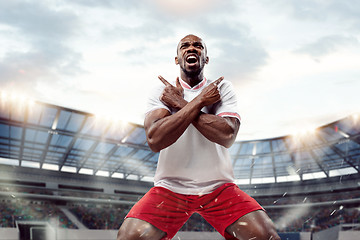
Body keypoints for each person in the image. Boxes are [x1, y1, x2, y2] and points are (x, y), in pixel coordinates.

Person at [117, 34, 280, 240]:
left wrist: (181, 104)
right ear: (177, 58)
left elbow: (227, 135)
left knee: (266, 236)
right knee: (129, 237)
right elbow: (155, 140)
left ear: (206, 58)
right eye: (185, 46)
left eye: (198, 46)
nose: (191, 48)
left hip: (218, 187)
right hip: (171, 187)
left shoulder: (221, 88)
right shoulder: (163, 90)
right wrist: (200, 101)